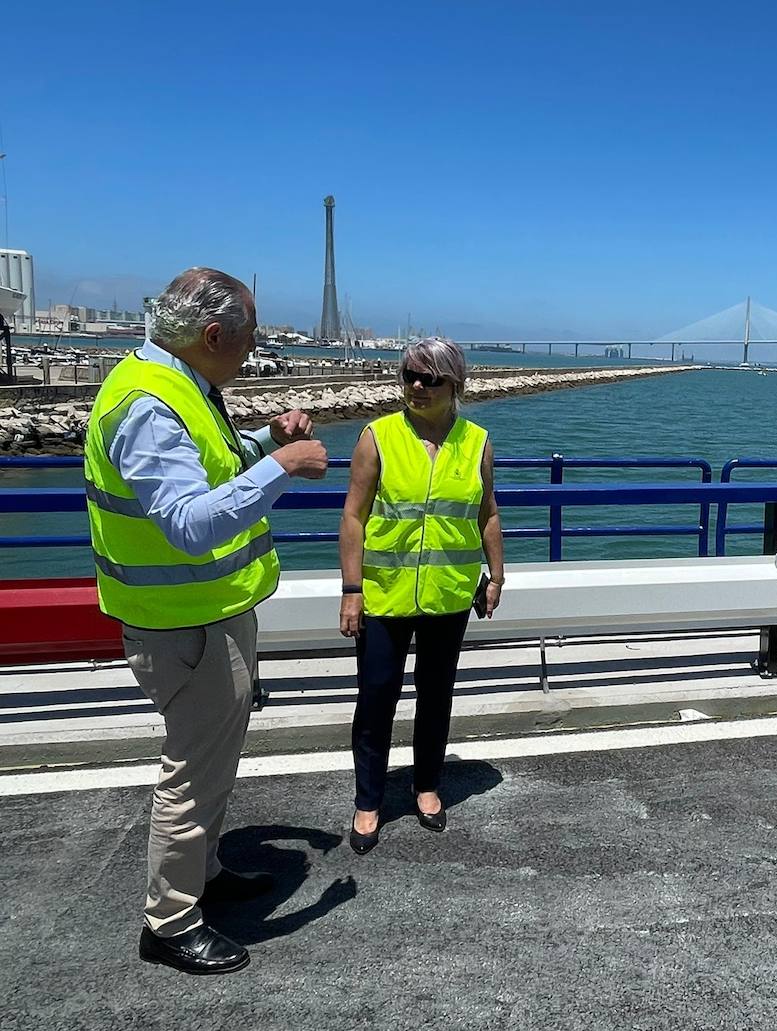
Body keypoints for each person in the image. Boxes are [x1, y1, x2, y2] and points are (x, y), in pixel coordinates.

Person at [83, 268, 328, 975]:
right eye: (250, 338)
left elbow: (207, 469)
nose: (254, 351)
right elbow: (191, 524)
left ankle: (204, 871)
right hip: (182, 623)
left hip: (205, 612)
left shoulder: (179, 385)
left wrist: (262, 440)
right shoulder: (150, 405)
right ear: (214, 335)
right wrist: (283, 465)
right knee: (192, 771)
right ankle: (170, 921)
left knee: (214, 762)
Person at [339, 338, 504, 855]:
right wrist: (351, 590)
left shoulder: (476, 442)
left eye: (430, 378)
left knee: (436, 695)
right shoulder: (378, 437)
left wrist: (496, 575)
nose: (416, 386)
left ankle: (427, 785)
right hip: (383, 595)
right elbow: (353, 517)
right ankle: (368, 802)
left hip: (449, 594)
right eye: (409, 375)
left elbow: (487, 512)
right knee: (376, 697)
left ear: (455, 384)